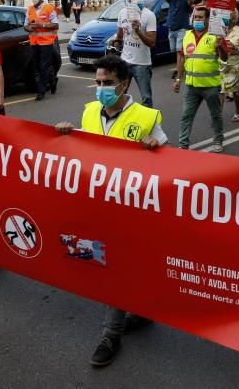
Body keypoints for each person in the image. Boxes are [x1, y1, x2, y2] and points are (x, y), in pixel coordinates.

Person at [54, 55, 165, 367]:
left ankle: (111, 333)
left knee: (118, 267)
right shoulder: (90, 111)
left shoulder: (146, 116)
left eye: (107, 83)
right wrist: (67, 134)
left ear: (124, 84)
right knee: (107, 265)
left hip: (131, 210)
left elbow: (171, 163)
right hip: (97, 207)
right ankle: (134, 316)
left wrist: (155, 147)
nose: (101, 89)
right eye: (98, 83)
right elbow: (85, 149)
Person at [174, 6, 227, 151]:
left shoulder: (215, 36)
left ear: (208, 19)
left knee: (216, 115)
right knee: (186, 116)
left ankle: (218, 140)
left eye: (200, 17)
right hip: (191, 86)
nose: (197, 19)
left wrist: (220, 46)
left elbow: (225, 57)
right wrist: (178, 79)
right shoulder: (187, 35)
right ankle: (183, 144)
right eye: (195, 17)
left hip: (210, 86)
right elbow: (183, 59)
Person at [115, 0, 157, 107]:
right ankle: (121, 118)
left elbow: (152, 43)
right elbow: (119, 35)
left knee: (146, 97)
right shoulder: (122, 13)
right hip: (124, 62)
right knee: (120, 94)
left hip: (142, 65)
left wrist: (138, 31)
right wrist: (116, 43)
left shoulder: (149, 15)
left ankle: (148, 122)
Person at [25, 0, 59, 100]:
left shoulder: (49, 8)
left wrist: (41, 25)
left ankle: (41, 91)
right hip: (34, 43)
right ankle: (53, 79)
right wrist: (28, 28)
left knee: (43, 66)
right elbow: (25, 25)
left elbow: (56, 25)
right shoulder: (29, 9)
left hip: (47, 43)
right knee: (36, 67)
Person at [218, 10, 239, 122]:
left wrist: (236, 48)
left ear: (234, 16)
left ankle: (238, 112)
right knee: (220, 89)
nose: (227, 15)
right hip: (220, 63)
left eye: (230, 13)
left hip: (234, 64)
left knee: (234, 89)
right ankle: (218, 115)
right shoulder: (218, 29)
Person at [162, 0, 191, 75]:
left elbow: (192, 0)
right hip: (172, 28)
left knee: (180, 51)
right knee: (175, 51)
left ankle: (178, 71)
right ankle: (182, 66)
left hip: (182, 28)